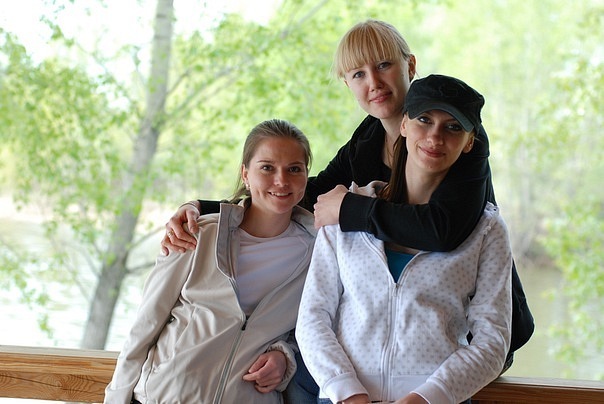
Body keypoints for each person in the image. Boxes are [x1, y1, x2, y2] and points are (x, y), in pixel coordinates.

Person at [160, 19, 532, 400]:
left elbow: (442, 230)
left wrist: (350, 210)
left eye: (384, 65)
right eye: (358, 74)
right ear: (347, 84)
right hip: (373, 353)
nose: (374, 82)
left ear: (410, 66)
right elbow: (305, 194)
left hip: (466, 333)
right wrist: (208, 208)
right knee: (302, 372)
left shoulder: (456, 138)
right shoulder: (368, 139)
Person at [296, 74, 512, 404]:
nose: (435, 136)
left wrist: (427, 398)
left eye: (453, 127)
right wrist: (347, 392)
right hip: (343, 397)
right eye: (424, 120)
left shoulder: (487, 230)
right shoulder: (343, 211)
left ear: (469, 142)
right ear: (404, 125)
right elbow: (313, 318)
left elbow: (493, 340)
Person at [104, 119, 316, 404]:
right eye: (267, 167)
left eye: (294, 169)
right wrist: (117, 398)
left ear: (306, 176)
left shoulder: (318, 254)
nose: (281, 180)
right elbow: (146, 324)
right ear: (245, 174)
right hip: (166, 396)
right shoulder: (198, 234)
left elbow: (311, 330)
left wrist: (284, 356)